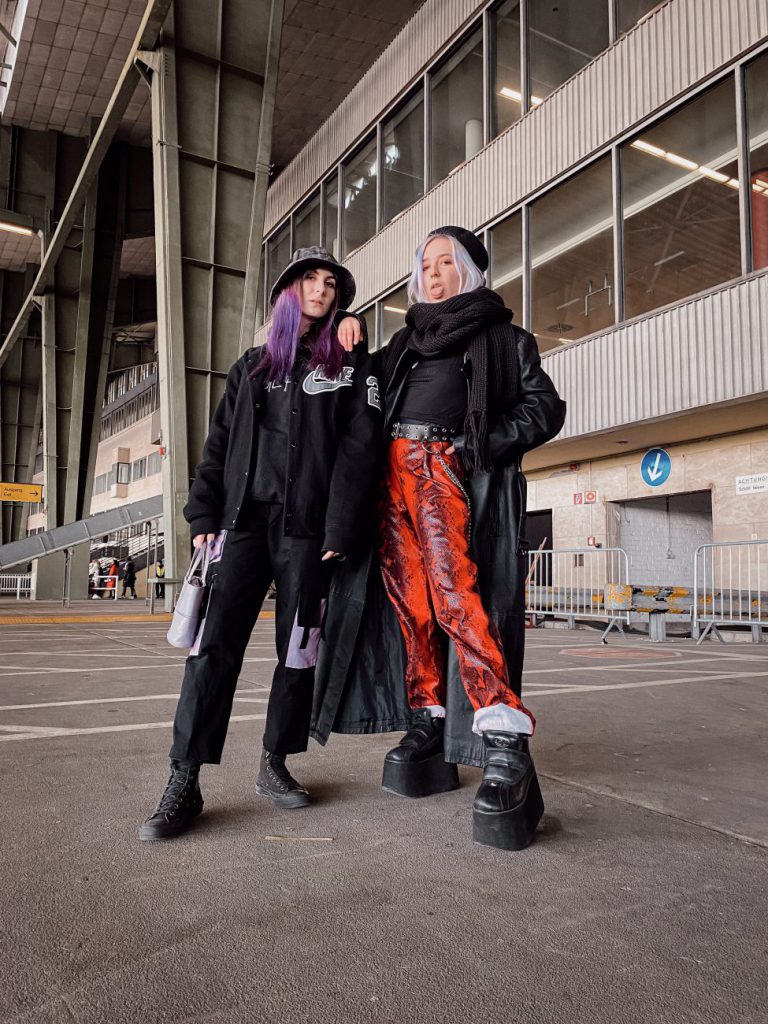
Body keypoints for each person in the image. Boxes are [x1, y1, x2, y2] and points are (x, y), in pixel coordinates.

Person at [313, 226, 566, 851]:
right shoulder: (404, 341)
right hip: (390, 480)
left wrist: (477, 445)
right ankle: (427, 720)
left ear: (471, 272)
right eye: (424, 263)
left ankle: (502, 737)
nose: (430, 272)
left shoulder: (506, 339)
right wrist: (346, 326)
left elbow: (545, 409)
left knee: (458, 598)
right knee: (412, 606)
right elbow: (358, 388)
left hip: (446, 469)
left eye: (444, 261)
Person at [139, 246, 382, 841]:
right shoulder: (250, 367)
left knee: (296, 652)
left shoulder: (349, 367)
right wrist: (203, 515)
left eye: (330, 283)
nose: (321, 289)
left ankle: (275, 763)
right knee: (212, 648)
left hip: (308, 533)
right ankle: (184, 779)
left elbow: (360, 449)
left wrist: (340, 527)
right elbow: (217, 447)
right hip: (242, 526)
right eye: (309, 279)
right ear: (288, 289)